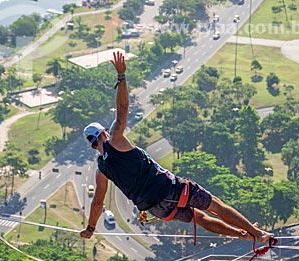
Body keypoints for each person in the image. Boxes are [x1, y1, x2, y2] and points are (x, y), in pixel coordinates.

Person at [80, 51, 273, 244]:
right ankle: (258, 234)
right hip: (170, 188)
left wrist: (90, 228)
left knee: (201, 218)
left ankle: (243, 234)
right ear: (104, 132)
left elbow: (98, 202)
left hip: (157, 208)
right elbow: (122, 109)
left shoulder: (101, 170)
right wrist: (121, 76)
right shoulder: (114, 139)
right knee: (215, 205)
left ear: (91, 145)